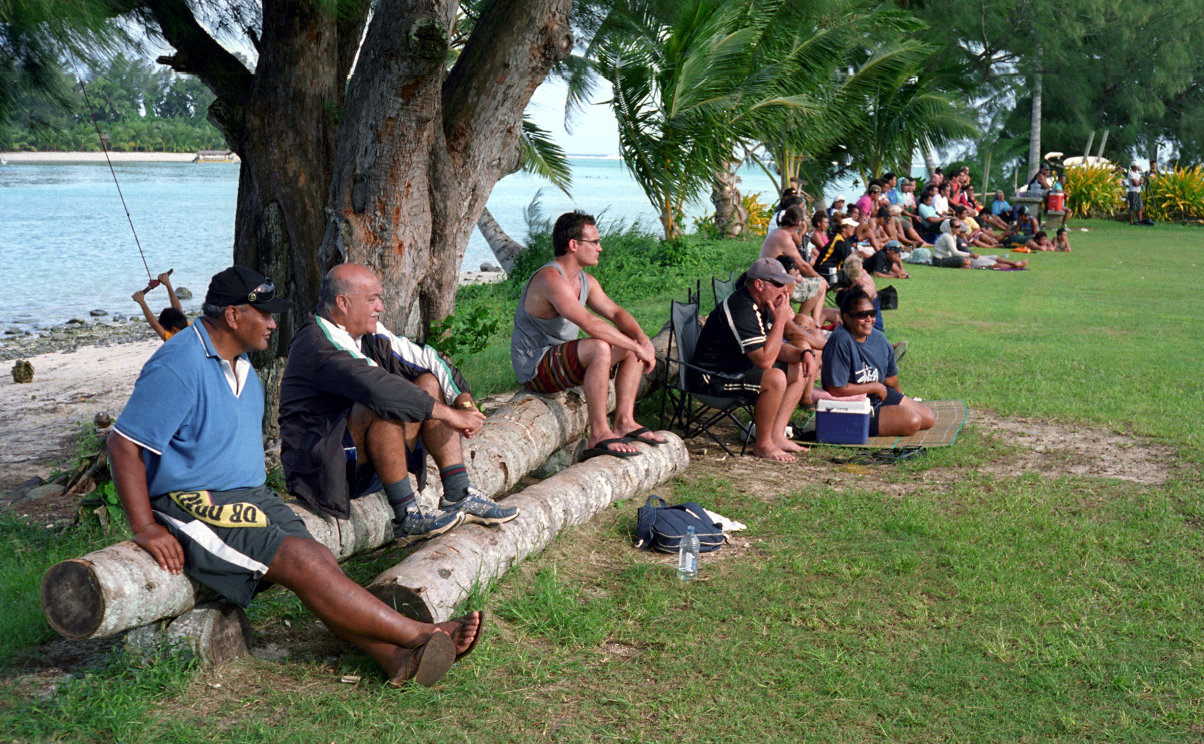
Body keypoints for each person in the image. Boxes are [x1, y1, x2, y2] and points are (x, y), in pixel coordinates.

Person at [108, 266, 480, 688]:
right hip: (194, 501)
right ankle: (421, 633)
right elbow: (123, 445)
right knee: (304, 562)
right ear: (232, 316)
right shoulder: (179, 364)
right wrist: (144, 527)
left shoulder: (242, 364)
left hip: (249, 495)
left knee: (317, 559)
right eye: (264, 314)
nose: (272, 323)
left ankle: (396, 658)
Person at [279, 263, 514, 545]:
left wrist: (461, 401)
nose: (380, 307)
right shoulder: (319, 344)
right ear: (343, 303)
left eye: (379, 298)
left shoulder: (369, 333)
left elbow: (429, 359)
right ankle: (406, 515)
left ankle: (458, 492)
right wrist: (449, 416)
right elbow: (379, 389)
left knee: (428, 381)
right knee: (380, 403)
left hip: (361, 455)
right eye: (372, 299)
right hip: (322, 468)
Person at [511, 211, 664, 460]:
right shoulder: (549, 278)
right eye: (594, 242)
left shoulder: (586, 281)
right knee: (600, 347)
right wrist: (637, 348)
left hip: (563, 362)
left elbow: (616, 313)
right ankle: (600, 433)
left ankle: (624, 422)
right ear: (573, 245)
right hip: (536, 368)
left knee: (629, 343)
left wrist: (642, 341)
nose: (600, 248)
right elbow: (591, 324)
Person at [690, 258, 814, 462]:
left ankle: (777, 436)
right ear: (759, 284)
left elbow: (771, 348)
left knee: (799, 366)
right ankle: (763, 445)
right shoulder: (743, 308)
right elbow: (765, 361)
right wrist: (781, 320)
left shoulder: (760, 304)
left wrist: (804, 354)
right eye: (778, 284)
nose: (784, 291)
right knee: (775, 378)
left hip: (736, 368)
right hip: (712, 378)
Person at [821, 287, 934, 437]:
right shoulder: (840, 341)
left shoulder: (879, 338)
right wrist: (874, 386)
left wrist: (899, 398)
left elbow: (891, 380)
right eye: (862, 315)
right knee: (912, 421)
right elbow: (836, 390)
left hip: (877, 396)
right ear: (846, 317)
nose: (869, 319)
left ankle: (887, 416)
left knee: (928, 418)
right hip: (850, 405)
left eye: (872, 313)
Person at [759, 204, 828, 325]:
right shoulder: (785, 238)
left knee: (819, 285)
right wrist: (820, 277)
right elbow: (803, 265)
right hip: (774, 284)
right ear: (799, 222)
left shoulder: (778, 232)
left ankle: (816, 324)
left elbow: (798, 244)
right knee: (820, 285)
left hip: (772, 279)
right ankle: (800, 322)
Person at [132, 269, 189, 341]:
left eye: (165, 329)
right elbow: (178, 310)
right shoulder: (189, 328)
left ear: (174, 330)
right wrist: (168, 284)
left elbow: (155, 325)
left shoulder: (176, 339)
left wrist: (141, 302)